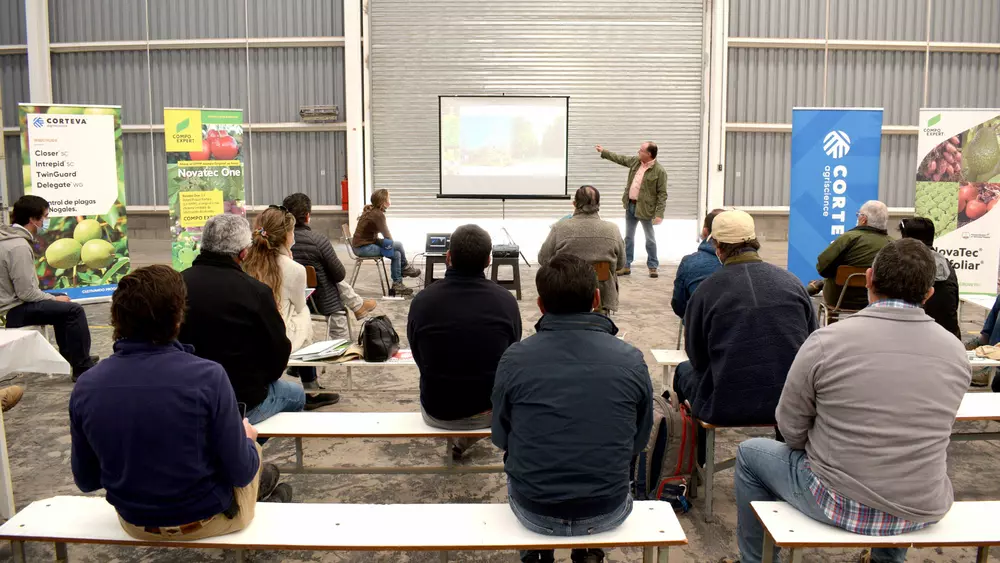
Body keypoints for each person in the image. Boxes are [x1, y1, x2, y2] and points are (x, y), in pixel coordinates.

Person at [724, 239, 971, 563]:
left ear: (869, 279)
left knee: (749, 453)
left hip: (836, 500)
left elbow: (790, 426)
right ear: (928, 294)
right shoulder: (956, 353)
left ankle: (754, 561)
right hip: (923, 506)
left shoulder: (827, 341)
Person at [70, 266, 293, 544]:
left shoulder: (87, 385)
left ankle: (262, 484)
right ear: (178, 318)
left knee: (257, 468)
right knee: (254, 459)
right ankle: (267, 500)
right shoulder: (208, 376)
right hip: (205, 518)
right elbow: (240, 470)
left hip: (134, 521)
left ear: (117, 318)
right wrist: (248, 441)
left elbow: (86, 480)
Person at [492, 254, 653, 563]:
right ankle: (589, 552)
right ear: (596, 298)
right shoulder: (630, 359)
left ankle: (537, 554)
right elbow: (638, 441)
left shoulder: (515, 359)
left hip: (534, 509)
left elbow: (501, 437)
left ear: (540, 305)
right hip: (608, 508)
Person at [675, 210, 815, 431]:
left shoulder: (705, 292)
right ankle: (786, 448)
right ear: (754, 241)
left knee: (682, 372)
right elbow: (810, 343)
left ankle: (697, 458)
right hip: (790, 402)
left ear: (718, 247)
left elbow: (697, 358)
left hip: (723, 405)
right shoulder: (793, 283)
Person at [408, 224, 521, 460]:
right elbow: (511, 357)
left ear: (448, 257)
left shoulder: (422, 301)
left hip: (436, 411)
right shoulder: (505, 301)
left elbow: (418, 354)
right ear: (489, 260)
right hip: (489, 412)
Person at [178, 214, 300, 424]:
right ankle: (247, 447)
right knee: (297, 394)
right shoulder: (257, 292)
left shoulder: (175, 285)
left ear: (203, 244)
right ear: (243, 253)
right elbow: (278, 353)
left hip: (186, 397)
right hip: (243, 399)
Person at [242, 207, 340, 409]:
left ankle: (306, 379)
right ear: (287, 235)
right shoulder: (294, 269)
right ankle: (308, 384)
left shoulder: (245, 261)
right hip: (279, 334)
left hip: (247, 330)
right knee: (304, 314)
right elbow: (299, 304)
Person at [0, 195, 97, 380]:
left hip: (13, 303)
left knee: (62, 303)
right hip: (14, 310)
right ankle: (82, 368)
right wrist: (53, 299)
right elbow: (26, 292)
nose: (46, 221)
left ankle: (74, 357)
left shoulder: (9, 238)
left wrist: (55, 298)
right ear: (33, 220)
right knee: (73, 310)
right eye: (45, 216)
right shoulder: (18, 246)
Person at [282, 193, 377, 339]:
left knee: (322, 271)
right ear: (308, 216)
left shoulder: (274, 241)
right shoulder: (318, 241)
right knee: (329, 274)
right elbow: (339, 274)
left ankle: (358, 304)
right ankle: (356, 307)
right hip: (321, 303)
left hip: (287, 302)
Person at [538, 186, 625, 313]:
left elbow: (543, 259)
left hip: (564, 292)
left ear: (574, 204)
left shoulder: (560, 228)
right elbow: (620, 264)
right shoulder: (613, 229)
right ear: (599, 205)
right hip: (600, 296)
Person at [595, 142, 668, 278]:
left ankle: (653, 266)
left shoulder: (660, 171)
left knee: (650, 238)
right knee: (628, 237)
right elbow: (620, 158)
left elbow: (662, 194)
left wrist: (659, 214)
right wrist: (604, 151)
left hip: (646, 209)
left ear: (649, 154)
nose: (638, 152)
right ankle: (626, 265)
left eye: (641, 150)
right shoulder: (636, 162)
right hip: (630, 206)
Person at [811, 200, 892, 311]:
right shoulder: (892, 244)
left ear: (863, 219)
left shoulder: (848, 238)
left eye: (858, 215)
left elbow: (822, 268)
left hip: (840, 299)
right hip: (877, 301)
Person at [351, 189, 420, 295]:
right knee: (397, 247)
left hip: (368, 243)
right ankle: (403, 270)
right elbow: (387, 235)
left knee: (396, 253)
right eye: (388, 198)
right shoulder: (378, 215)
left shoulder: (374, 211)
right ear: (383, 201)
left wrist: (389, 246)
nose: (390, 200)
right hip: (362, 248)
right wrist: (390, 246)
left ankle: (398, 281)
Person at [899, 217, 960, 338]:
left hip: (915, 338)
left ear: (906, 240)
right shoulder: (946, 265)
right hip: (950, 338)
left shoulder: (904, 266)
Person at [671, 208, 726, 319]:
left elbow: (679, 306)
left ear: (705, 232)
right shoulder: (757, 269)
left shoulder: (689, 263)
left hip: (700, 330)